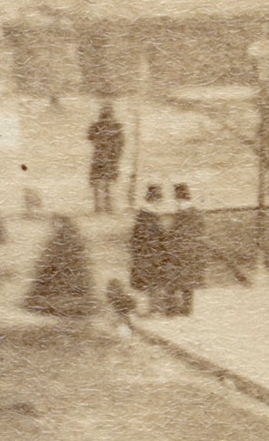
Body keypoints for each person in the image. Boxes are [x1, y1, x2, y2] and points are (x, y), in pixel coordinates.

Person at [164, 181, 207, 317]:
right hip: (191, 252)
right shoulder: (195, 212)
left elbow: (176, 233)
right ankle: (186, 309)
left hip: (180, 252)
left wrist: (169, 244)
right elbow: (200, 232)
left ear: (178, 197)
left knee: (173, 280)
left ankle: (172, 309)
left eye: (175, 197)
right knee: (188, 282)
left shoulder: (182, 213)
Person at [129, 183, 170, 317]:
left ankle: (153, 309)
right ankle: (153, 310)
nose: (160, 203)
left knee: (150, 282)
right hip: (149, 254)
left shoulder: (148, 215)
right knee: (151, 282)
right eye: (159, 199)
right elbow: (146, 237)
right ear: (153, 200)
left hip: (150, 254)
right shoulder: (147, 215)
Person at [86, 102, 126, 214]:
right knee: (100, 182)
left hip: (107, 157)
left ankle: (105, 206)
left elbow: (121, 142)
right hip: (103, 157)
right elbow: (90, 137)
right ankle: (100, 207)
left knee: (105, 182)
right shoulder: (106, 126)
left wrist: (116, 154)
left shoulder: (114, 126)